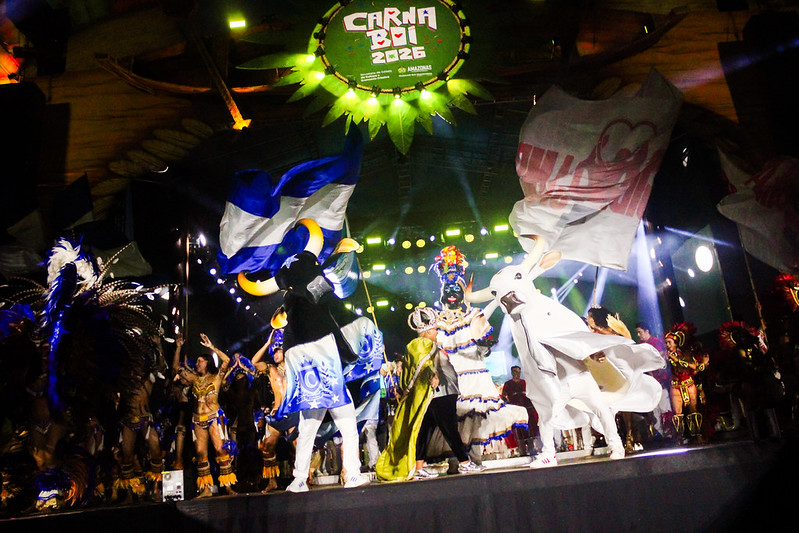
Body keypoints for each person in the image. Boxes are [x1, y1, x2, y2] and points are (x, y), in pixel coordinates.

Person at [431, 246, 528, 464]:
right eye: (448, 289)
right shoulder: (436, 321)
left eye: (456, 289)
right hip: (451, 379)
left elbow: (483, 348)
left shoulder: (474, 316)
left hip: (474, 375)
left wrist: (484, 346)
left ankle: (474, 460)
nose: (452, 293)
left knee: (476, 417)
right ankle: (456, 461)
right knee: (452, 420)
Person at [375, 307, 439, 481]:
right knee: (417, 429)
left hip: (412, 396)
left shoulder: (411, 345)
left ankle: (416, 467)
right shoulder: (423, 344)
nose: (436, 333)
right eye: (435, 330)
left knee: (414, 429)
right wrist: (433, 375)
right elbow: (422, 364)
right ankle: (415, 468)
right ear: (427, 331)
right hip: (419, 394)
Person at [176, 333, 236, 497]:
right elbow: (176, 368)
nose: (196, 364)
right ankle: (206, 489)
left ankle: (228, 487)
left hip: (214, 417)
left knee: (220, 450)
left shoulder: (216, 378)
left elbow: (227, 361)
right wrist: (179, 347)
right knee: (201, 454)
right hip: (197, 419)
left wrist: (211, 347)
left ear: (207, 363)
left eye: (199, 361)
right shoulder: (194, 379)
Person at [250, 328, 299, 493]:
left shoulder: (295, 367)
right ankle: (272, 481)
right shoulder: (271, 369)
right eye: (273, 352)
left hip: (293, 412)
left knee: (297, 445)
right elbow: (254, 361)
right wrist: (267, 344)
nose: (275, 354)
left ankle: (304, 477)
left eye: (278, 351)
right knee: (267, 446)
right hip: (277, 413)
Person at [665, 323, 709, 443]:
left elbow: (694, 367)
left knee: (693, 410)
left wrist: (677, 360)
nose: (667, 345)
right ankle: (679, 438)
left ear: (676, 343)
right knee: (677, 413)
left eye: (669, 342)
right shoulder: (664, 356)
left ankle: (698, 435)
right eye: (666, 343)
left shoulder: (686, 354)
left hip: (689, 384)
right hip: (675, 386)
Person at [501, 366, 538, 455]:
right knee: (518, 429)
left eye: (518, 371)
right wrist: (508, 404)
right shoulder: (508, 384)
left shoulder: (524, 382)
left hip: (527, 408)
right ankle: (522, 451)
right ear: (512, 372)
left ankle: (531, 449)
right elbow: (503, 396)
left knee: (529, 429)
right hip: (516, 410)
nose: (517, 373)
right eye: (515, 371)